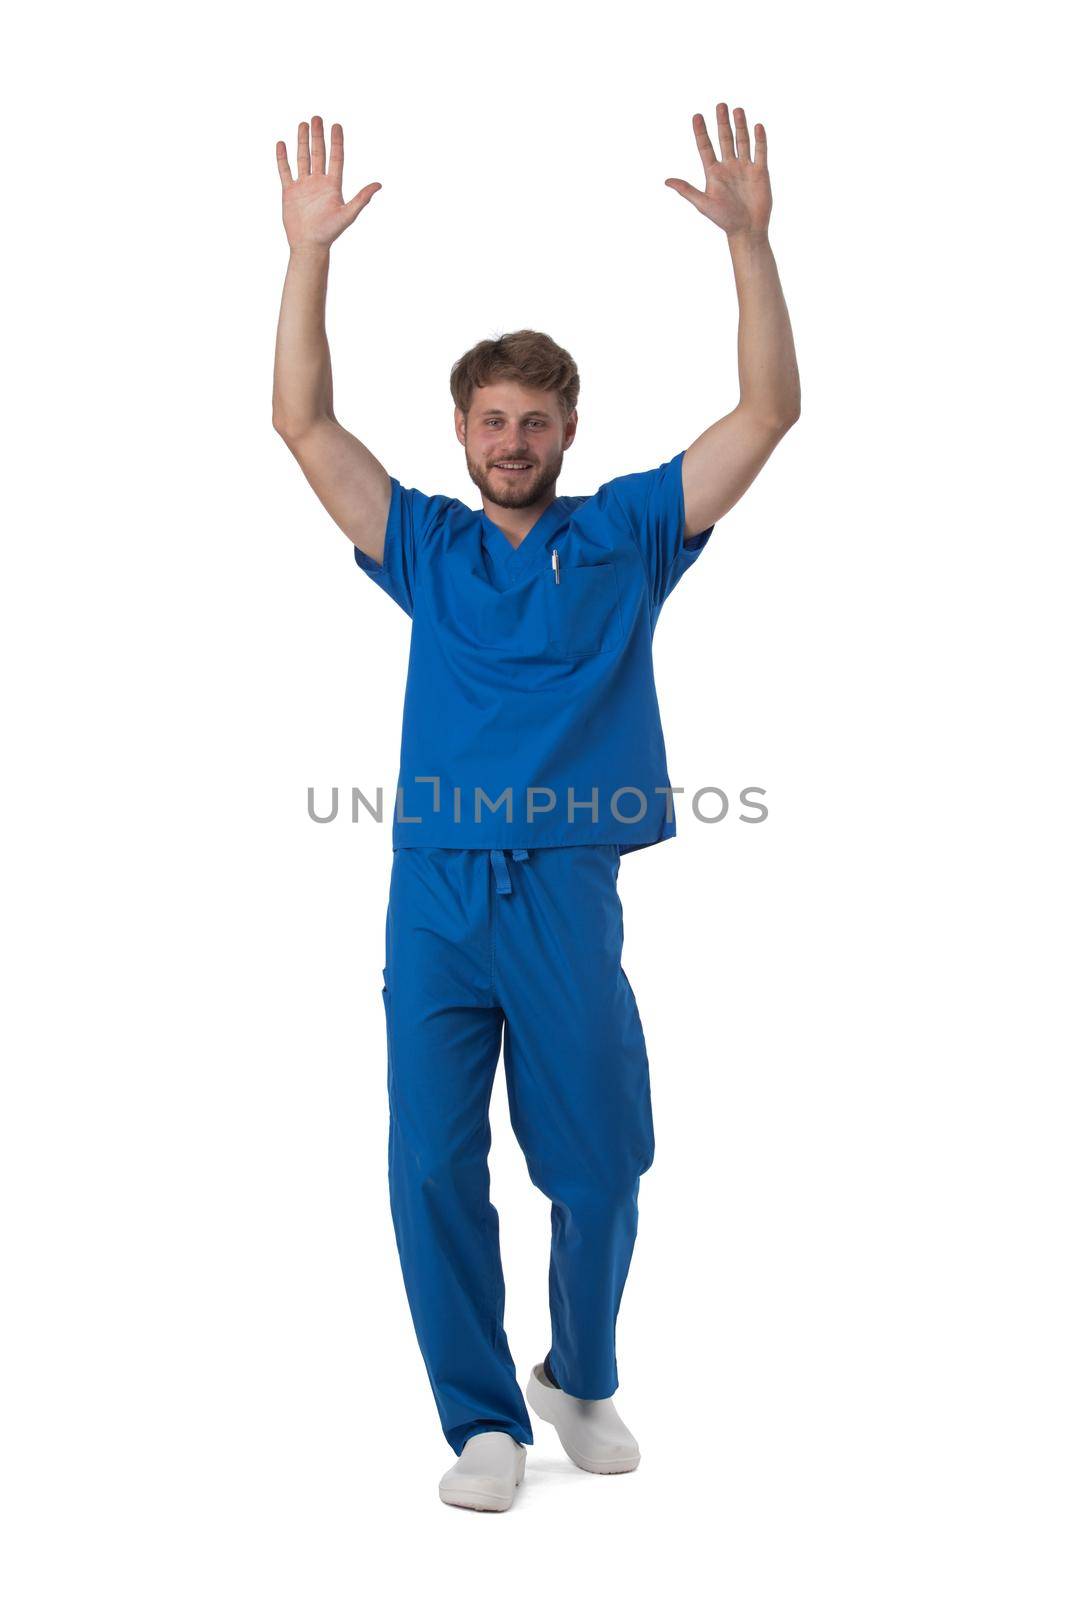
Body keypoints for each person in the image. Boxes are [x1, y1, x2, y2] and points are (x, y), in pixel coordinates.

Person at [272, 103, 800, 1513]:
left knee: (604, 1157)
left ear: (570, 430)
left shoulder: (624, 535)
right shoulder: (427, 547)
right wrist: (307, 255)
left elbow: (765, 416)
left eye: (535, 422)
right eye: (492, 421)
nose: (512, 440)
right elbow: (304, 424)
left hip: (566, 884)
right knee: (432, 1164)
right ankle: (483, 1420)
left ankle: (581, 1368)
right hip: (437, 886)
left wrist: (751, 243)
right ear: (461, 430)